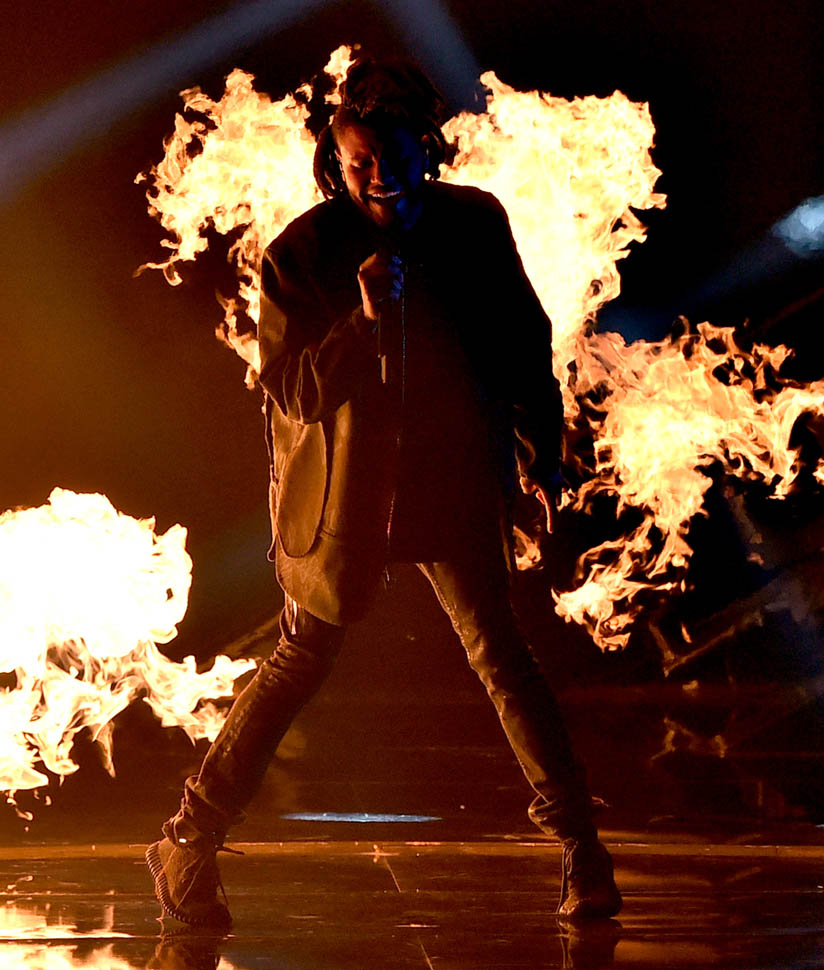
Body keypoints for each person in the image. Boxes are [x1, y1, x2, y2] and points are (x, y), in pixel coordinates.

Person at [146, 55, 622, 928]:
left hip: (451, 481)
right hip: (343, 501)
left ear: (424, 148)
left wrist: (539, 454)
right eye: (360, 160)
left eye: (394, 155)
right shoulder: (301, 255)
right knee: (299, 660)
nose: (380, 175)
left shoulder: (474, 223)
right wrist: (361, 324)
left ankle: (583, 852)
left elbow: (523, 341)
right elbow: (292, 391)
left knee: (503, 657)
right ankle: (187, 840)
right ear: (336, 160)